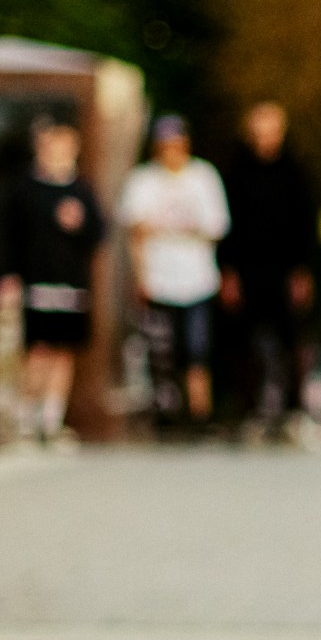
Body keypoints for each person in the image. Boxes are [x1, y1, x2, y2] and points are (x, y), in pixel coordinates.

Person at [218, 102, 321, 445]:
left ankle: (294, 413)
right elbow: (224, 226)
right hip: (246, 270)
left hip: (285, 270)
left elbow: (308, 224)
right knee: (243, 343)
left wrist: (302, 271)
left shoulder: (297, 172)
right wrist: (228, 272)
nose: (265, 138)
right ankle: (250, 413)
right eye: (258, 131)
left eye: (271, 130)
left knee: (291, 343)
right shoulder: (234, 172)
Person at [0, 118, 104, 447]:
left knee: (63, 352)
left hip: (70, 282)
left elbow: (98, 235)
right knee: (38, 350)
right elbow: (8, 236)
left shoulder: (82, 190)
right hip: (36, 280)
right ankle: (27, 419)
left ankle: (52, 420)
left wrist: (80, 222)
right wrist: (9, 276)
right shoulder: (25, 189)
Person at [119, 115, 229, 429]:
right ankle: (165, 409)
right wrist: (140, 276)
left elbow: (215, 227)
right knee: (160, 351)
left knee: (196, 350)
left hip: (197, 280)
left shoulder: (203, 177)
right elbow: (136, 232)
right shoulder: (143, 180)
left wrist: (169, 228)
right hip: (158, 278)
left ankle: (199, 412)